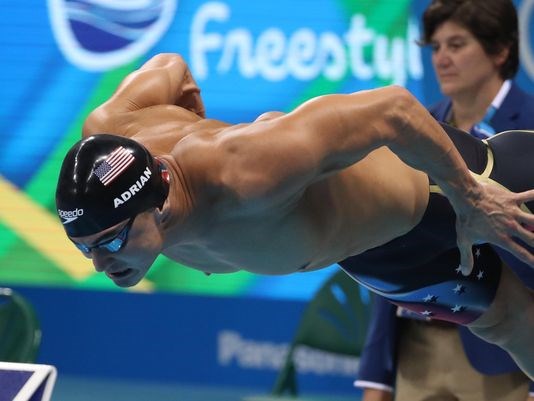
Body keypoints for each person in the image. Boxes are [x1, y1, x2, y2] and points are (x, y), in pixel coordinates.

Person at [54, 53, 534, 380]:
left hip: (441, 188)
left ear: (154, 203)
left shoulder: (243, 169)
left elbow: (394, 109)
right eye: (84, 245)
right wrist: (197, 120)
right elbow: (169, 67)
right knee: (509, 325)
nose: (98, 263)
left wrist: (468, 195)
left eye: (111, 242)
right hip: (380, 259)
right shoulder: (108, 132)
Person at [356, 1, 534, 400]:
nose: (442, 59)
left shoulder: (531, 129)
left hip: (505, 358)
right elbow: (386, 241)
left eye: (456, 45)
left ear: (501, 51)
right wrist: (377, 377)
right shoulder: (416, 126)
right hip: (416, 348)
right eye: (435, 48)